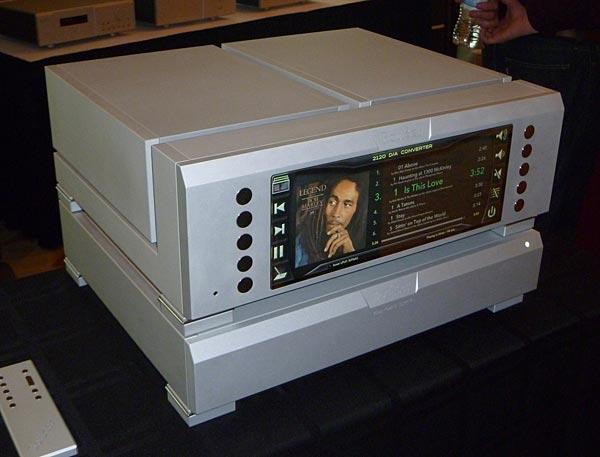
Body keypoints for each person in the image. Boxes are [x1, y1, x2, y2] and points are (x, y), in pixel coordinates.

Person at [457, 0, 600, 234]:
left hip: (559, 43)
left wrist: (534, 13)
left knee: (526, 204)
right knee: (508, 199)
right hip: (536, 39)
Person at [295, 175, 367, 267]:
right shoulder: (299, 248)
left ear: (356, 210)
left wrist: (351, 254)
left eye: (347, 205)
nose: (336, 213)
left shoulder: (353, 243)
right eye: (332, 202)